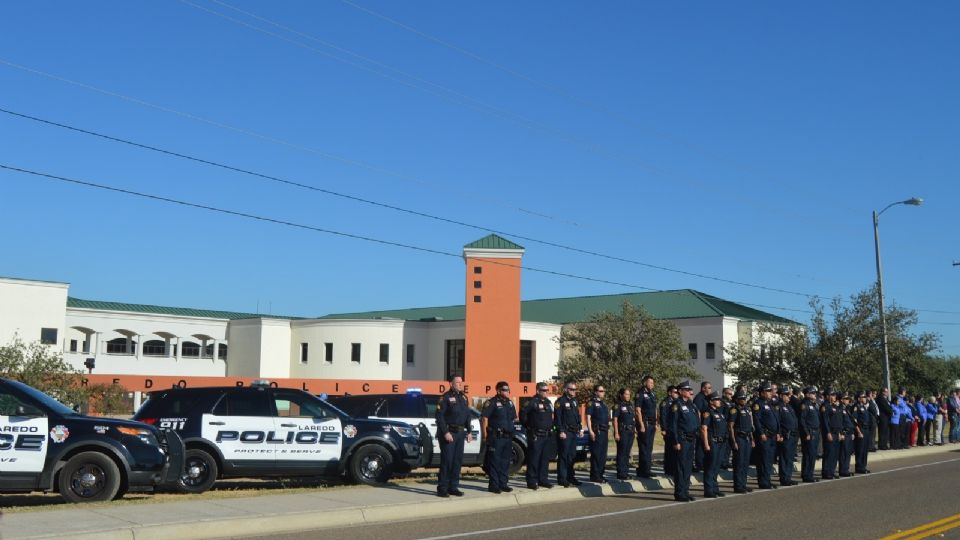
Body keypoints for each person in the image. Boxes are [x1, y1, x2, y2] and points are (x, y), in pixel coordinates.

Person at [435, 375, 474, 497]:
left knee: (457, 461)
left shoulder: (463, 397)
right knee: (447, 461)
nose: (460, 384)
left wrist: (469, 431)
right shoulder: (445, 397)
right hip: (449, 433)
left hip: (460, 433)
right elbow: (439, 417)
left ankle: (453, 487)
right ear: (451, 384)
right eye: (457, 382)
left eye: (461, 382)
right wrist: (445, 432)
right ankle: (442, 488)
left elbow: (467, 415)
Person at [481, 382, 517, 493]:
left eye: (508, 389)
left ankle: (503, 484)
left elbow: (514, 418)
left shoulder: (510, 403)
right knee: (495, 462)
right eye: (505, 389)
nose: (507, 391)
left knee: (505, 462)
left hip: (507, 437)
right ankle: (493, 485)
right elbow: (484, 419)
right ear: (498, 391)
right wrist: (484, 436)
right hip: (496, 437)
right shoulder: (491, 403)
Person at [669, 380, 700, 502]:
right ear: (681, 392)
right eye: (687, 390)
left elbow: (696, 421)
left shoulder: (691, 405)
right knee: (680, 467)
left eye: (689, 390)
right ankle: (679, 493)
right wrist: (676, 441)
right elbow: (673, 425)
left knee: (687, 467)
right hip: (682, 439)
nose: (690, 392)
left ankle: (686, 491)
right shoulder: (676, 405)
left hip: (691, 439)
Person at [519, 383, 554, 489]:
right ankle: (532, 481)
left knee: (544, 459)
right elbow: (522, 414)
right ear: (538, 391)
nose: (546, 392)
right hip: (536, 435)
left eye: (547, 390)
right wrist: (529, 427)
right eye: (544, 390)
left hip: (547, 435)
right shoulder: (531, 402)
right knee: (534, 459)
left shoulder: (548, 402)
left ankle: (543, 479)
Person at [554, 381, 583, 487]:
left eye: (575, 389)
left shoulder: (574, 401)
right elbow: (558, 418)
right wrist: (561, 431)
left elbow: (577, 416)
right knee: (564, 456)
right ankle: (562, 478)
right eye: (571, 389)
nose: (574, 391)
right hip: (565, 433)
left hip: (573, 432)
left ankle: (571, 477)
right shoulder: (560, 402)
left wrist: (580, 428)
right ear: (566, 389)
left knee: (572, 456)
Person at [752, 382, 779, 490]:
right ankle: (763, 482)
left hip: (772, 436)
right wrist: (761, 433)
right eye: (768, 391)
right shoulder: (758, 404)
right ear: (762, 393)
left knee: (769, 460)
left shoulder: (769, 404)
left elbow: (776, 420)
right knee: (763, 459)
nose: (770, 393)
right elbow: (757, 420)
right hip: (765, 436)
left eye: (770, 391)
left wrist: (778, 432)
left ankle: (767, 480)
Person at [701, 391, 728, 498]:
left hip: (721, 443)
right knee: (710, 467)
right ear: (711, 401)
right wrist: (706, 444)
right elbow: (704, 428)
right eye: (717, 400)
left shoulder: (719, 412)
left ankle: (715, 488)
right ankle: (708, 490)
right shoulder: (707, 412)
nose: (719, 402)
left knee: (716, 467)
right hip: (713, 442)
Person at [728, 390, 754, 493]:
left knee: (745, 462)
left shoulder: (747, 409)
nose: (744, 400)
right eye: (742, 399)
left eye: (744, 398)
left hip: (747, 437)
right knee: (739, 462)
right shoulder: (734, 410)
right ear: (737, 399)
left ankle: (743, 484)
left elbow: (750, 427)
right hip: (739, 437)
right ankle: (738, 486)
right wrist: (733, 441)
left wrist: (752, 439)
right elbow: (730, 426)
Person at [634, 375, 658, 478]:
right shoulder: (640, 394)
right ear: (645, 383)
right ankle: (643, 470)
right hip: (645, 423)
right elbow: (638, 410)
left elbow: (655, 409)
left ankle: (647, 469)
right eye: (650, 382)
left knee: (649, 447)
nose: (652, 384)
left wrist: (656, 422)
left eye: (653, 383)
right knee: (644, 447)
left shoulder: (652, 394)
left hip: (652, 423)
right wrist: (641, 424)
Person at [585, 385, 610, 483]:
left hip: (604, 431)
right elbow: (588, 417)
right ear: (595, 392)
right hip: (596, 431)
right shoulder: (592, 403)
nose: (603, 392)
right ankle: (595, 475)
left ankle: (600, 474)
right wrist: (590, 431)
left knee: (603, 455)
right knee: (596, 454)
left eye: (603, 391)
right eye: (601, 391)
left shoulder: (603, 404)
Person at [776, 386, 798, 486]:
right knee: (784, 457)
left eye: (789, 395)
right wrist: (780, 434)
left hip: (793, 435)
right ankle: (784, 478)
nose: (789, 397)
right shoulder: (778, 407)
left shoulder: (789, 407)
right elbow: (778, 422)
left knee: (789, 457)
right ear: (781, 395)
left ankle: (788, 477)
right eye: (787, 395)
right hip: (785, 436)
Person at [612, 388, 636, 480]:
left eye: (629, 394)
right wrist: (617, 433)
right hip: (622, 431)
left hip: (630, 431)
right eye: (626, 394)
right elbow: (615, 419)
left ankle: (625, 472)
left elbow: (632, 419)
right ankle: (621, 473)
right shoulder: (618, 405)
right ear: (621, 395)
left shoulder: (630, 405)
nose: (628, 396)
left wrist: (635, 429)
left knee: (627, 453)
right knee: (622, 452)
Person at [799, 386, 821, 483]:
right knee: (808, 454)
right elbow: (802, 420)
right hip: (810, 433)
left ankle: (810, 474)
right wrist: (806, 432)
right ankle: (806, 475)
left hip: (815, 432)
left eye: (815, 393)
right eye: (812, 393)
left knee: (813, 454)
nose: (814, 394)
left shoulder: (813, 404)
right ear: (807, 394)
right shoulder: (804, 404)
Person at [820, 390, 843, 480]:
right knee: (829, 453)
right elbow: (825, 421)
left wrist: (840, 433)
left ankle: (832, 471)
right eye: (832, 395)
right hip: (830, 433)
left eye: (834, 395)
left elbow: (838, 421)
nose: (834, 397)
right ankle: (826, 472)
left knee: (834, 454)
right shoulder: (825, 406)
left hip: (836, 433)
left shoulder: (834, 406)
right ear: (827, 396)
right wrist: (828, 432)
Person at [692, 381, 712, 472]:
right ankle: (699, 464)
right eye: (709, 388)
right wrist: (699, 425)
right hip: (701, 425)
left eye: (710, 388)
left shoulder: (707, 398)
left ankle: (703, 463)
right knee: (700, 445)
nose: (710, 390)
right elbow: (698, 412)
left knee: (704, 445)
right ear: (703, 388)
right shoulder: (699, 398)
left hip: (707, 425)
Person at [852, 391, 874, 474]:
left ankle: (863, 466)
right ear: (858, 398)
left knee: (865, 449)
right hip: (861, 430)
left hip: (866, 429)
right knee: (860, 450)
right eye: (863, 397)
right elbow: (854, 420)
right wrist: (858, 431)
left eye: (865, 397)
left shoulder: (864, 407)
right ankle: (859, 467)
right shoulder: (856, 407)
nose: (865, 398)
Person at [659, 386, 678, 477]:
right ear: (669, 393)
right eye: (675, 392)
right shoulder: (665, 403)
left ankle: (672, 468)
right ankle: (668, 469)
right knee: (669, 450)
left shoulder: (675, 402)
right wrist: (663, 429)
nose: (676, 394)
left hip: (674, 429)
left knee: (674, 450)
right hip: (668, 429)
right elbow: (663, 416)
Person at [838, 393, 855, 477]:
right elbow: (840, 423)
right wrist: (841, 433)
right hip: (844, 433)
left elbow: (850, 422)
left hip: (849, 432)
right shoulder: (840, 409)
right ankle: (843, 470)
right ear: (842, 400)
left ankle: (846, 469)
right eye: (846, 399)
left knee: (847, 452)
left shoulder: (846, 409)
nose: (848, 400)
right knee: (844, 452)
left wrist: (852, 432)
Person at [720, 387, 735, 469]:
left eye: (731, 394)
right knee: (724, 445)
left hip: (730, 426)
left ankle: (725, 461)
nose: (731, 395)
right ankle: (722, 462)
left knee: (729, 445)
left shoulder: (730, 403)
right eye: (729, 394)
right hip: (725, 426)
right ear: (724, 394)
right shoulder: (722, 402)